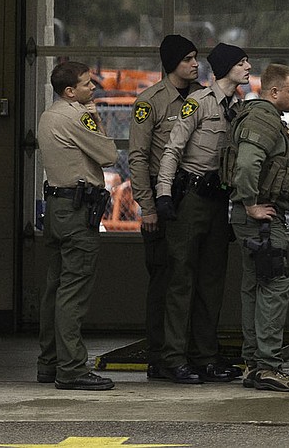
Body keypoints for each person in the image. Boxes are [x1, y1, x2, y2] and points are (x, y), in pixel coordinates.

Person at [155, 42, 251, 384]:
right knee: (182, 279)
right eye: (241, 63)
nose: (248, 67)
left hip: (217, 199)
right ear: (226, 68)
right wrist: (164, 195)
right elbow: (172, 150)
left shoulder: (238, 107)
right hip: (191, 196)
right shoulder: (199, 103)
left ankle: (205, 355)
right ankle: (173, 357)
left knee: (212, 280)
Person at [36, 61, 120, 391]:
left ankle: (49, 361)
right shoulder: (76, 115)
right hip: (76, 210)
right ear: (70, 91)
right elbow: (109, 154)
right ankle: (71, 367)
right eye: (87, 84)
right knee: (73, 290)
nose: (93, 88)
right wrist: (95, 118)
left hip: (56, 206)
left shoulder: (48, 116)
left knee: (54, 288)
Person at [225, 63, 289, 392]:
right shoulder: (263, 118)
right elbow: (246, 164)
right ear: (273, 92)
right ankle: (268, 365)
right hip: (260, 220)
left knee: (255, 286)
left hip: (257, 218)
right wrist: (250, 203)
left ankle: (255, 364)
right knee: (274, 287)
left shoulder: (266, 118)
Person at [127, 34, 202, 380]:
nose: (194, 64)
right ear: (172, 63)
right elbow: (139, 157)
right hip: (163, 196)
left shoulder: (203, 97)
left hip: (195, 198)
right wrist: (148, 206)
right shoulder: (151, 102)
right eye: (187, 59)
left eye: (195, 58)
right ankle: (161, 355)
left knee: (189, 279)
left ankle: (186, 352)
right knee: (164, 278)